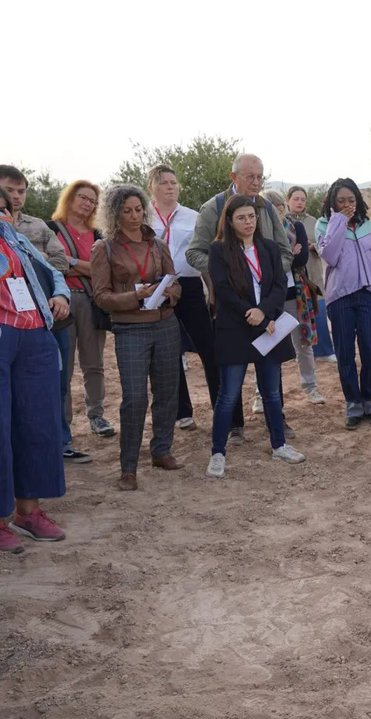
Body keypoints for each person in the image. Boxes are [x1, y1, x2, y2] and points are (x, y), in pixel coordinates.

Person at [186, 154, 294, 444]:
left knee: (271, 369)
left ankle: (277, 422)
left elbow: (284, 251)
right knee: (230, 373)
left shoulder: (267, 207)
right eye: (250, 177)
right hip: (232, 307)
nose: (257, 182)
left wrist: (269, 275)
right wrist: (230, 271)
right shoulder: (214, 208)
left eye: (260, 177)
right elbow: (194, 253)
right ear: (234, 177)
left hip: (267, 305)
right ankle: (234, 426)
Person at [90, 184, 183, 491]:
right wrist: (134, 296)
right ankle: (128, 467)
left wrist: (170, 293)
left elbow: (176, 284)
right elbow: (101, 296)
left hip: (165, 324)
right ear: (115, 213)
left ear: (145, 209)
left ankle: (161, 451)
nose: (133, 216)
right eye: (126, 211)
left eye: (138, 209)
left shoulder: (158, 244)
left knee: (168, 391)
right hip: (130, 328)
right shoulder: (104, 248)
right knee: (135, 397)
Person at [205, 195, 305, 477]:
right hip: (235, 327)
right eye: (241, 218)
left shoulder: (269, 248)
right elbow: (222, 289)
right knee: (228, 394)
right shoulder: (219, 250)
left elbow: (277, 285)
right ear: (230, 221)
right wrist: (251, 312)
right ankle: (218, 453)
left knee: (272, 392)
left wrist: (264, 313)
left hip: (268, 325)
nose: (248, 222)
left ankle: (279, 445)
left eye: (252, 217)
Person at [0, 165, 89, 464]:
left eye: (20, 191)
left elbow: (59, 262)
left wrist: (54, 287)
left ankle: (60, 441)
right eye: (9, 191)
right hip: (8, 324)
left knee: (56, 381)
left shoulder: (37, 226)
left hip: (47, 316)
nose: (15, 197)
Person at [0, 198, 71, 552]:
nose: (3, 216)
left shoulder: (19, 240)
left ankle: (28, 513)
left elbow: (53, 271)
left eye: (5, 210)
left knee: (39, 424)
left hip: (35, 334)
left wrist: (61, 295)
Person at [48, 180, 115, 440]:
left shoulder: (98, 234)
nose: (88, 204)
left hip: (91, 301)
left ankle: (96, 415)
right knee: (62, 366)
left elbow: (102, 269)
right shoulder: (50, 229)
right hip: (61, 301)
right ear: (69, 199)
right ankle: (62, 424)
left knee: (94, 363)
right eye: (83, 198)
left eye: (93, 201)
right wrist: (84, 265)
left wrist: (71, 263)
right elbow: (50, 264)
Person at [316, 178, 371, 428]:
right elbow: (330, 256)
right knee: (345, 353)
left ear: (358, 201)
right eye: (341, 200)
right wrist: (339, 221)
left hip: (367, 295)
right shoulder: (325, 225)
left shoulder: (369, 226)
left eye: (351, 200)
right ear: (333, 203)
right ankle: (353, 404)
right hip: (340, 297)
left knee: (370, 350)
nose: (347, 204)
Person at [145, 165, 207, 433]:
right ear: (152, 188)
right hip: (156, 288)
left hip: (190, 285)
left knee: (208, 346)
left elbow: (202, 253)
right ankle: (183, 412)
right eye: (164, 182)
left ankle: (223, 406)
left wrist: (211, 290)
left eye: (173, 182)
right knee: (169, 353)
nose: (170, 186)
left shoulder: (193, 216)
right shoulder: (143, 216)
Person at [262, 189, 323, 406]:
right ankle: (263, 395)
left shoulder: (295, 227)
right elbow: (263, 266)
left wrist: (291, 255)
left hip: (295, 294)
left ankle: (310, 385)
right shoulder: (258, 234)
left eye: (279, 207)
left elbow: (302, 259)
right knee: (267, 346)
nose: (277, 211)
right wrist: (290, 252)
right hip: (268, 298)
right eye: (272, 207)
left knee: (303, 344)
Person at [286, 186, 335, 361]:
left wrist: (313, 246)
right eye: (296, 199)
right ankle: (301, 353)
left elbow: (325, 243)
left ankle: (324, 352)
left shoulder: (314, 222)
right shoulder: (282, 221)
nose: (300, 202)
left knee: (318, 310)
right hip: (294, 276)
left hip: (313, 273)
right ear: (288, 200)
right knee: (297, 314)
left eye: (303, 199)